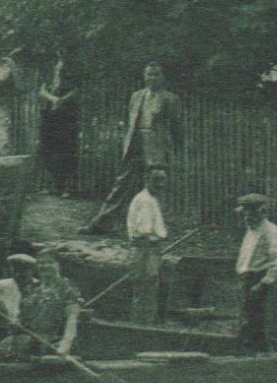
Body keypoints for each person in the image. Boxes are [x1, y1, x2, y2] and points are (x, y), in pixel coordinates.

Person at [82, 63, 184, 234]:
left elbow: (176, 128)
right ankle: (100, 225)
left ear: (163, 77)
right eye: (149, 75)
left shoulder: (170, 99)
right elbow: (132, 122)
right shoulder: (136, 96)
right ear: (144, 76)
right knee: (121, 185)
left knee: (156, 187)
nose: (152, 78)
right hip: (135, 145)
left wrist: (171, 151)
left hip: (156, 147)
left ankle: (157, 228)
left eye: (156, 75)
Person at [234, 193, 277, 353]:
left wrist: (264, 282)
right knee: (247, 322)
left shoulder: (270, 231)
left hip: (259, 280)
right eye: (244, 211)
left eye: (250, 211)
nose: (246, 216)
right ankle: (248, 355)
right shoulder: (251, 230)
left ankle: (264, 357)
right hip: (247, 280)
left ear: (261, 211)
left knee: (259, 324)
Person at [126, 166, 170, 324]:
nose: (160, 184)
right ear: (147, 180)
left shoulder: (151, 199)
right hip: (145, 250)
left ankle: (147, 324)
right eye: (156, 180)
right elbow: (145, 232)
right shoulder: (144, 201)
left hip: (150, 249)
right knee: (145, 290)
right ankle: (141, 327)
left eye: (163, 180)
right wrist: (151, 255)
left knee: (149, 290)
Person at [37, 53, 81, 195]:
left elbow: (76, 90)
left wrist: (61, 101)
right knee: (48, 146)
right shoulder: (49, 66)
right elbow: (42, 90)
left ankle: (67, 186)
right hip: (49, 112)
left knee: (66, 147)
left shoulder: (73, 66)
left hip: (67, 113)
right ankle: (52, 185)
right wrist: (53, 99)